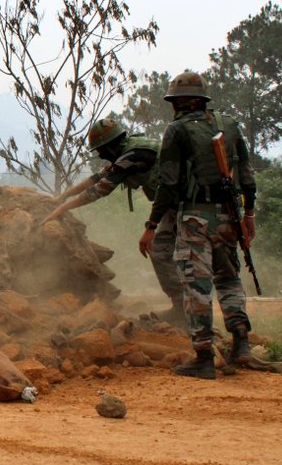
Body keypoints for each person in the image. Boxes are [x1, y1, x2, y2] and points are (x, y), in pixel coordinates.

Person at [138, 72, 257, 380]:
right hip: (228, 216)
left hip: (194, 217)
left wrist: (152, 224)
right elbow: (246, 175)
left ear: (177, 102)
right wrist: (248, 215)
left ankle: (203, 356)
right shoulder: (229, 124)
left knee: (196, 285)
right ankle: (241, 343)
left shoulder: (177, 131)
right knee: (229, 279)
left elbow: (169, 182)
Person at [43, 118, 185, 327]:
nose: (100, 155)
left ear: (111, 145)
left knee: (166, 251)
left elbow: (100, 189)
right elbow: (96, 178)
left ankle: (186, 311)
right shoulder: (128, 150)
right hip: (174, 206)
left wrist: (62, 209)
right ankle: (183, 308)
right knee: (163, 250)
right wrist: (62, 197)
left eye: (101, 150)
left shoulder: (134, 155)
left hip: (185, 205)